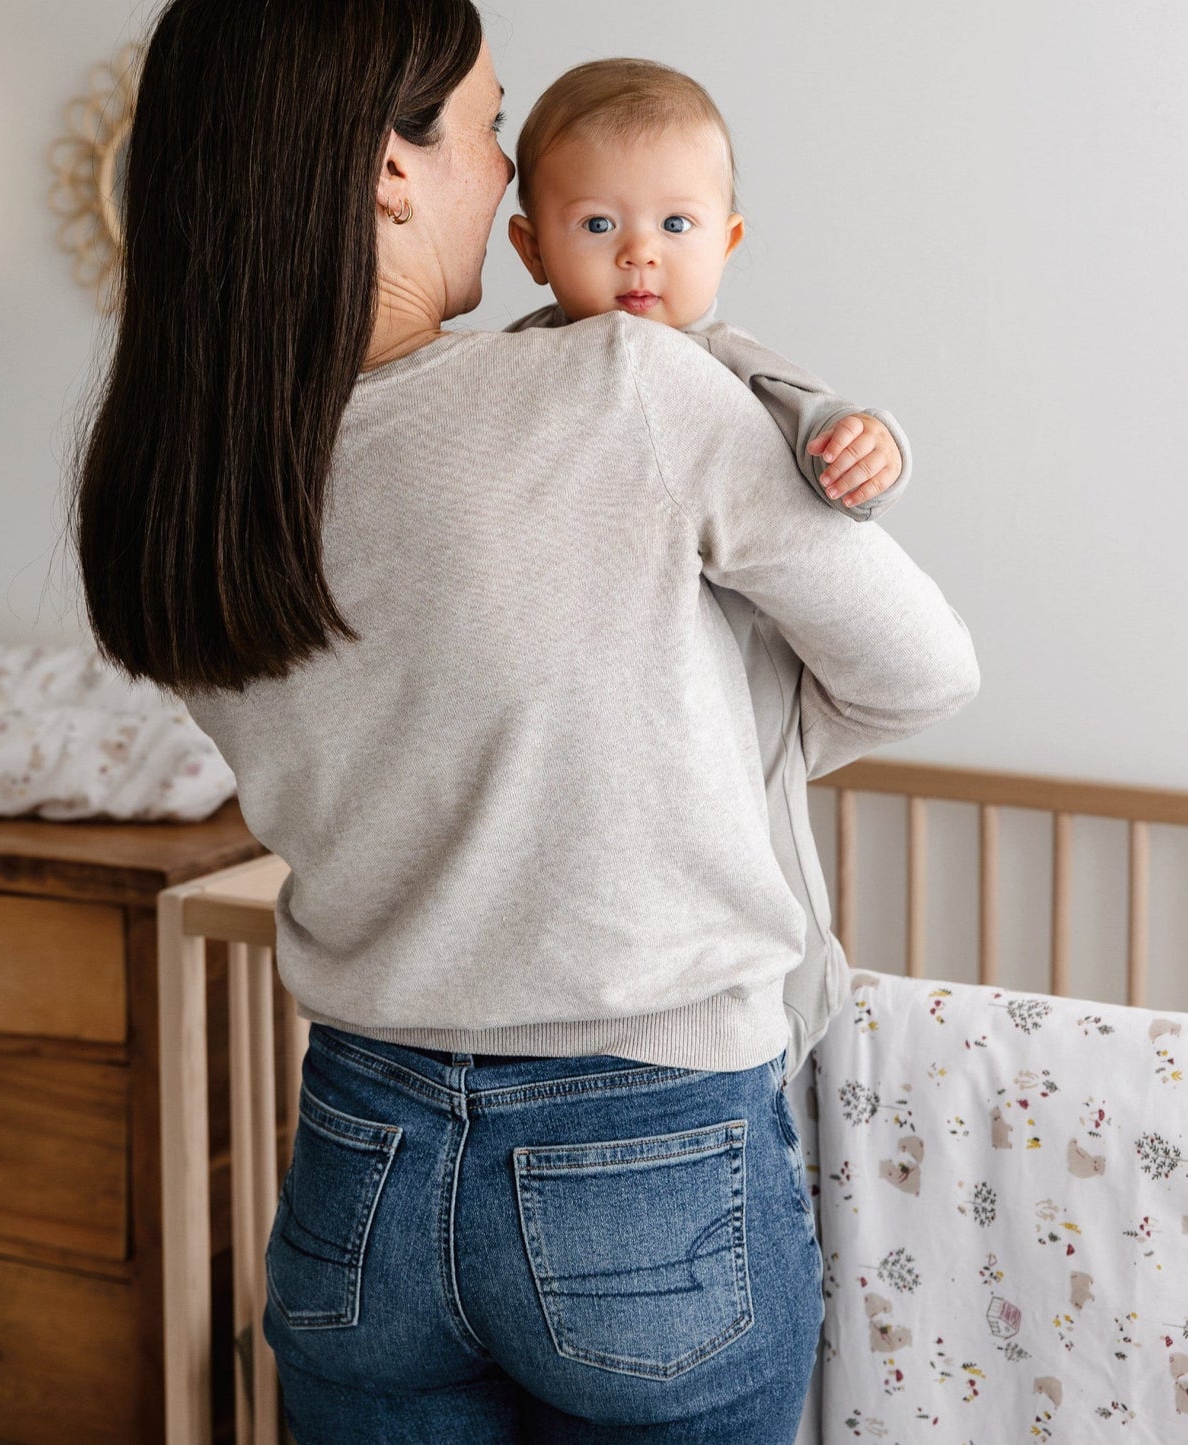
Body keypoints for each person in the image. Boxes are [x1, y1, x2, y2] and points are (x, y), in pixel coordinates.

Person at [68, 2, 980, 1440]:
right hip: (647, 1145)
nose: (505, 173)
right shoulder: (625, 386)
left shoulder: (188, 487)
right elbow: (919, 670)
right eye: (491, 126)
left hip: (358, 1162)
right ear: (388, 168)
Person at [501, 57, 914, 1083]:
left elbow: (831, 439)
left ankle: (788, 1010)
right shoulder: (506, 376)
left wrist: (869, 446)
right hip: (583, 715)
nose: (639, 252)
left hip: (726, 702)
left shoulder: (728, 369)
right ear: (529, 245)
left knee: (759, 864)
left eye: (676, 226)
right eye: (597, 225)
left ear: (725, 241)